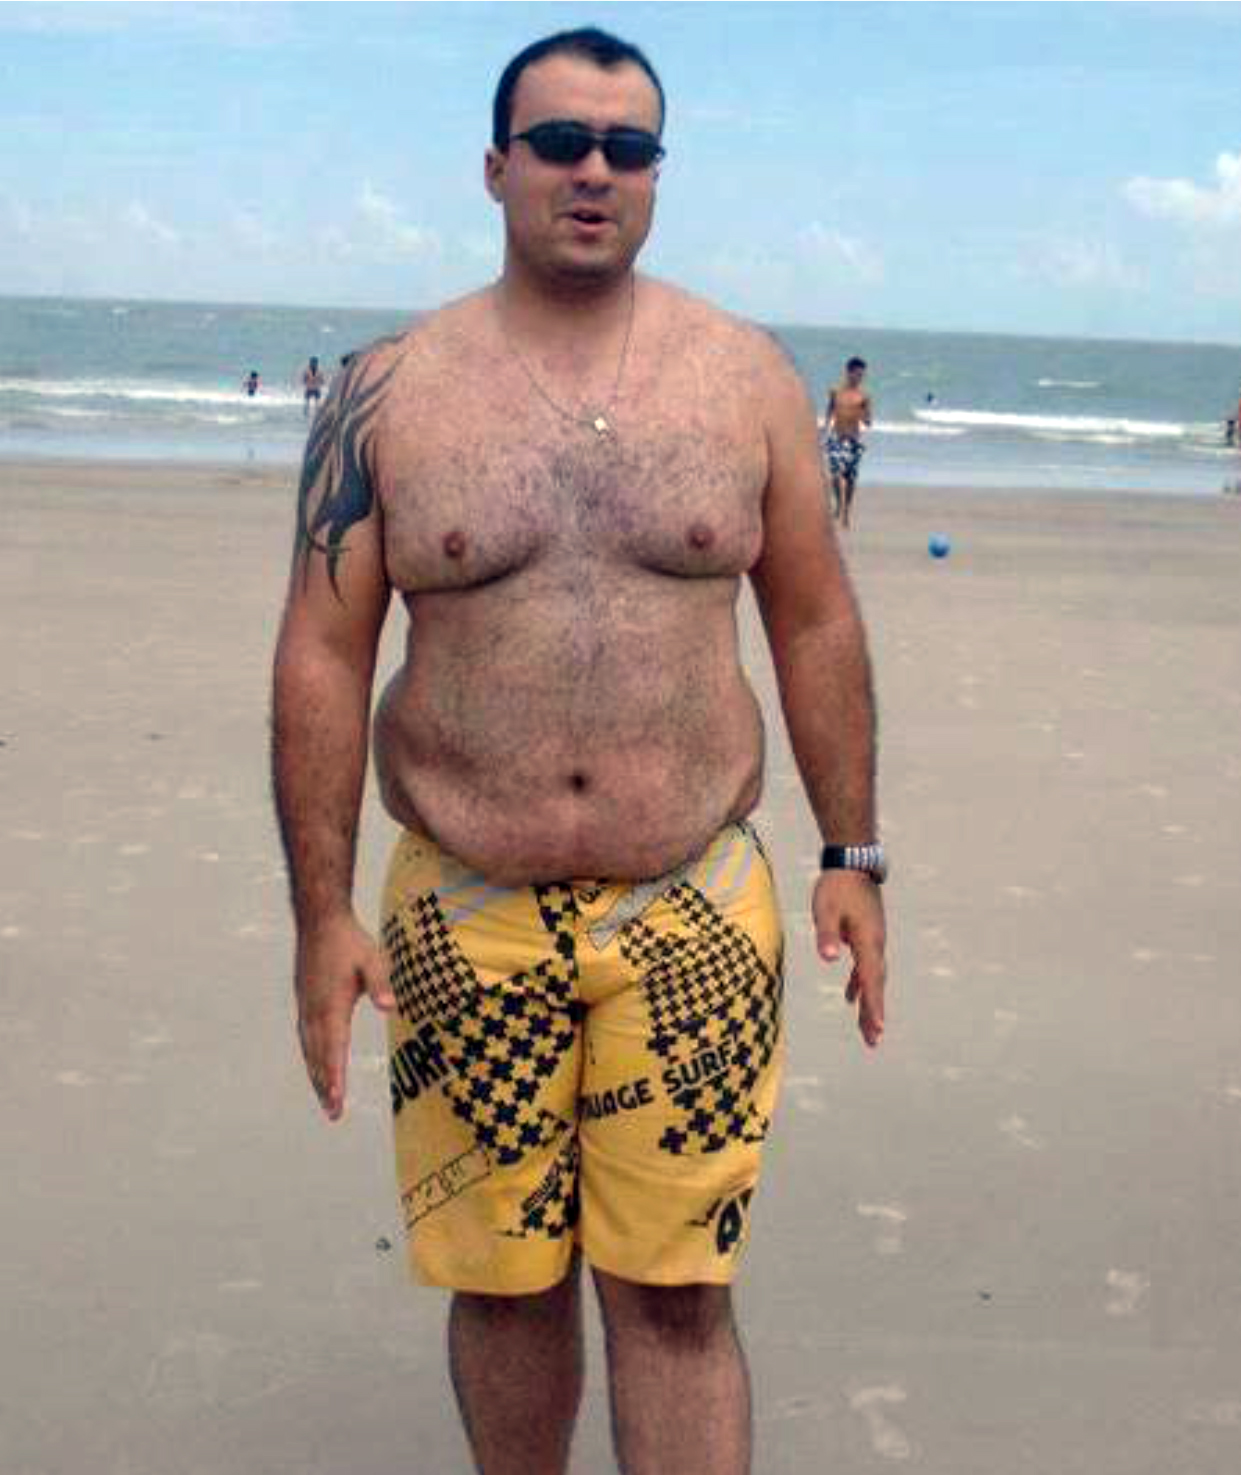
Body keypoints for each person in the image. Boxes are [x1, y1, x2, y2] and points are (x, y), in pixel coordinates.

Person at [270, 26, 887, 1475]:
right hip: (461, 907)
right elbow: (321, 653)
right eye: (559, 142)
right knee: (503, 1283)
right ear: (496, 168)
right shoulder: (388, 390)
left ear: (657, 173)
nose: (593, 171)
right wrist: (319, 912)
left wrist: (853, 851)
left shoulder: (741, 376)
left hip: (691, 905)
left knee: (676, 1293)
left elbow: (813, 620)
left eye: (627, 147)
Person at [823, 356, 873, 529]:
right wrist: (825, 428)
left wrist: (864, 416)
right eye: (857, 374)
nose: (860, 378)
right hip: (836, 438)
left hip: (854, 440)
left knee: (850, 479)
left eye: (862, 375)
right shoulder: (835, 391)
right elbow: (830, 409)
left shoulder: (864, 396)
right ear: (848, 372)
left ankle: (846, 510)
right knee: (835, 474)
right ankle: (839, 503)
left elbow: (868, 421)